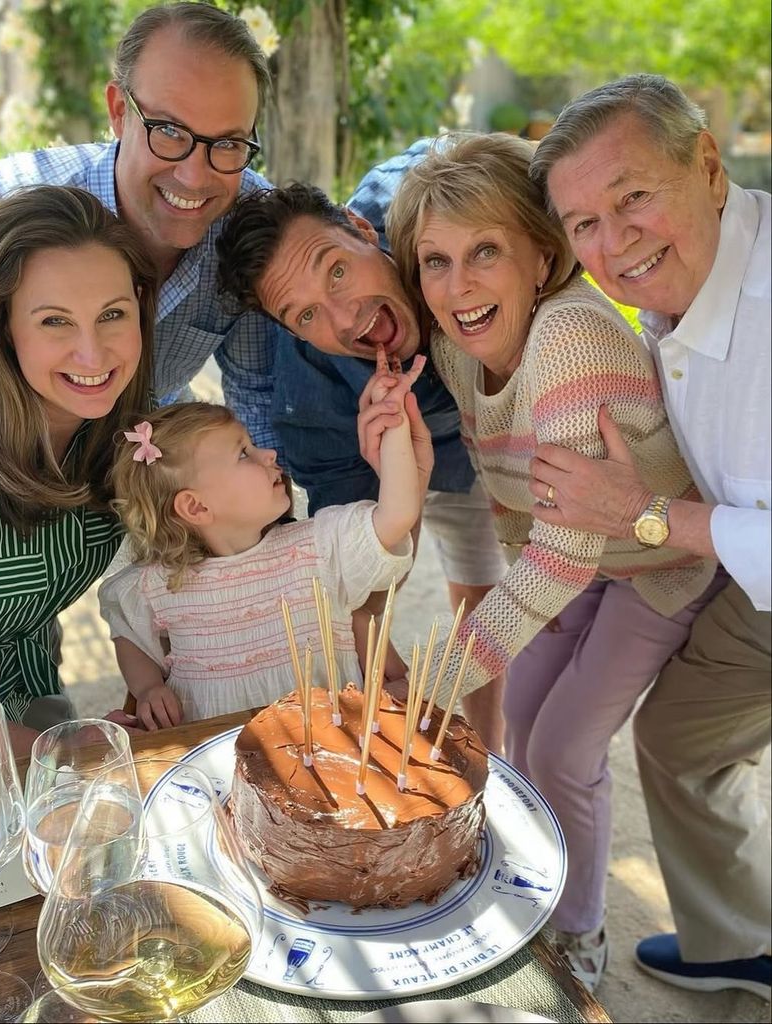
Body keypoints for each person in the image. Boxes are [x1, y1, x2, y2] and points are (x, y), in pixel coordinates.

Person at [384, 131, 725, 991]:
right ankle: (529, 879)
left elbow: (563, 554)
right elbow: (510, 505)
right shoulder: (462, 343)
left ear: (542, 257)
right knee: (520, 724)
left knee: (566, 748)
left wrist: (436, 676)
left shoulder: (568, 337)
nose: (455, 287)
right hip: (574, 558)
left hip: (654, 564)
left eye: (484, 252)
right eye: (435, 260)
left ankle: (577, 929)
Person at [527, 74, 771, 999]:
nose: (613, 241)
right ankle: (738, 941)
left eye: (631, 196)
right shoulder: (657, 284)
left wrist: (645, 518)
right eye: (582, 223)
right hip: (743, 584)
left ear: (707, 166)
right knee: (679, 735)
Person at [217, 154, 509, 748]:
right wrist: (381, 659)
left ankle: (494, 749)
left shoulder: (436, 203)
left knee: (493, 597)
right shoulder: (313, 407)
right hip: (419, 451)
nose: (345, 315)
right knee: (467, 596)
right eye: (305, 315)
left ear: (362, 229)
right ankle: (484, 760)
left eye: (338, 273)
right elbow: (362, 560)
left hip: (508, 415)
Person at [0, 2, 281, 445]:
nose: (194, 176)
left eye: (227, 143)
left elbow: (257, 401)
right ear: (119, 112)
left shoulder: (250, 225)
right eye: (168, 130)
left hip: (143, 466)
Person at [98, 355, 431, 728]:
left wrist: (395, 423)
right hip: (222, 757)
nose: (268, 453)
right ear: (195, 506)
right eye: (244, 453)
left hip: (331, 747)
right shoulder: (161, 584)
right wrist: (145, 687)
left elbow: (398, 515)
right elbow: (128, 631)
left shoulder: (316, 548)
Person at [0, 185, 156, 753]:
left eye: (112, 314)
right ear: (0, 325)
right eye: (54, 322)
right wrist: (58, 752)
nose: (93, 356)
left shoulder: (133, 439)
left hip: (35, 699)